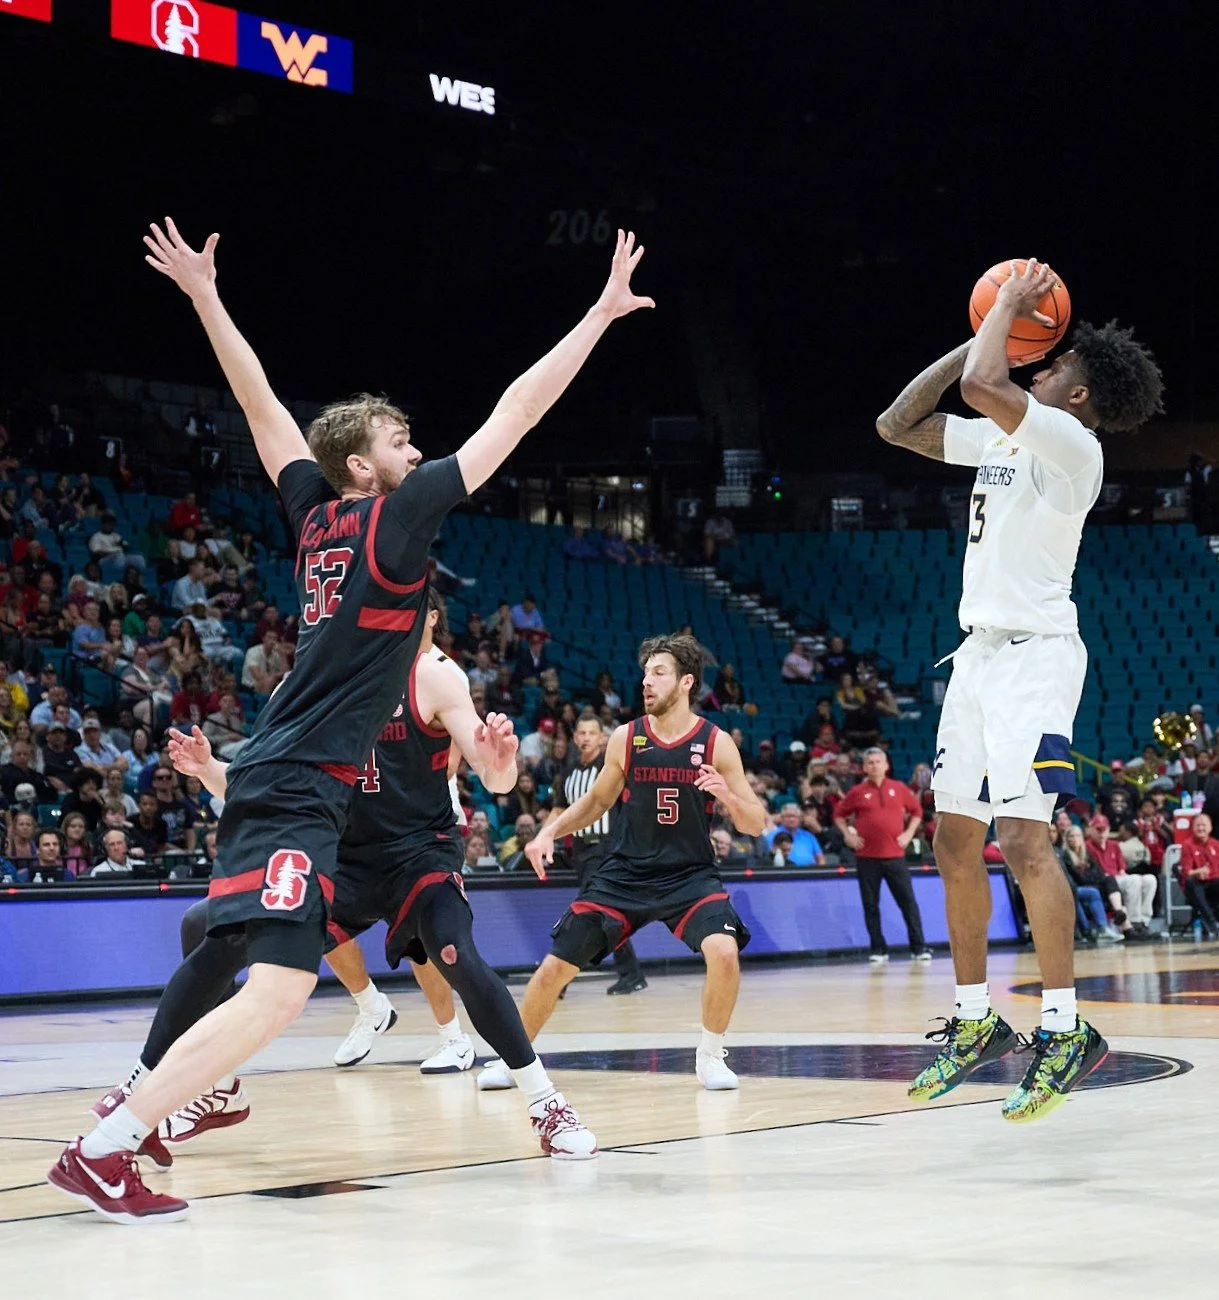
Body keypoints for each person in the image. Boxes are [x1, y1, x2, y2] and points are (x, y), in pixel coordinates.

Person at [52, 216, 653, 1222]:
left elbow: (263, 412)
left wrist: (205, 297)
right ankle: (111, 1138)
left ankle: (145, 1113)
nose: (417, 448)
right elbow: (518, 413)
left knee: (259, 975)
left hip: (283, 774)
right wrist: (595, 315)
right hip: (294, 780)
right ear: (369, 469)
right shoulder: (395, 514)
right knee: (280, 990)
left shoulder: (316, 514)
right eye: (400, 439)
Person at [128, 593, 596, 1159]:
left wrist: (500, 758)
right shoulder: (303, 687)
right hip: (341, 859)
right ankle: (219, 1085)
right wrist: (207, 768)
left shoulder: (432, 674)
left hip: (418, 853)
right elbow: (260, 788)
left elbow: (497, 783)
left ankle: (545, 1104)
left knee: (453, 952)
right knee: (208, 925)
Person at [877, 259, 1163, 1122]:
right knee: (952, 839)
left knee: (1023, 838)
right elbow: (897, 424)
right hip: (975, 657)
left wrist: (1001, 311)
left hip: (1037, 657)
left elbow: (982, 381)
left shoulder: (1075, 447)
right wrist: (983, 329)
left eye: (1055, 366)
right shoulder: (998, 439)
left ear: (1077, 397)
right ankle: (975, 1023)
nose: (1041, 365)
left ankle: (1066, 1028)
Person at [478, 633, 766, 1094]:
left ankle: (710, 1055)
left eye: (659, 673)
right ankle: (513, 1059)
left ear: (686, 682)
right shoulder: (627, 737)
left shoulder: (715, 742)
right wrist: (550, 831)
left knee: (725, 952)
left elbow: (755, 823)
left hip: (690, 875)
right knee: (554, 966)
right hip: (625, 873)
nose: (646, 682)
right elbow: (595, 801)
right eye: (645, 672)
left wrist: (727, 796)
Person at [553, 711, 646, 993]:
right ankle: (632, 974)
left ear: (602, 738)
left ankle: (559, 977)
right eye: (581, 733)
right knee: (605, 916)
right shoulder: (568, 773)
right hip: (579, 851)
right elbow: (559, 810)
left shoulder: (609, 769)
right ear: (574, 737)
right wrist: (543, 837)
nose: (585, 738)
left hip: (606, 848)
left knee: (586, 911)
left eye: (591, 733)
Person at [833, 748, 931, 964]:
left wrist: (908, 834)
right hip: (867, 857)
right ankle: (878, 949)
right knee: (870, 905)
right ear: (864, 767)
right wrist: (848, 836)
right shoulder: (857, 792)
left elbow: (917, 812)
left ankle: (919, 947)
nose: (875, 765)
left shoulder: (899, 788)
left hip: (895, 856)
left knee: (908, 903)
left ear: (886, 765)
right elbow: (839, 815)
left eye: (878, 761)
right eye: (870, 762)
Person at [1179, 813, 1219, 939]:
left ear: (1210, 827)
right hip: (1197, 884)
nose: (1201, 828)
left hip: (1214, 883)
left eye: (1204, 825)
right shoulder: (1187, 845)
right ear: (1192, 828)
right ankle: (1213, 924)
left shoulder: (1216, 844)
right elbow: (1187, 872)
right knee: (1192, 882)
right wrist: (1198, 871)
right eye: (1198, 825)